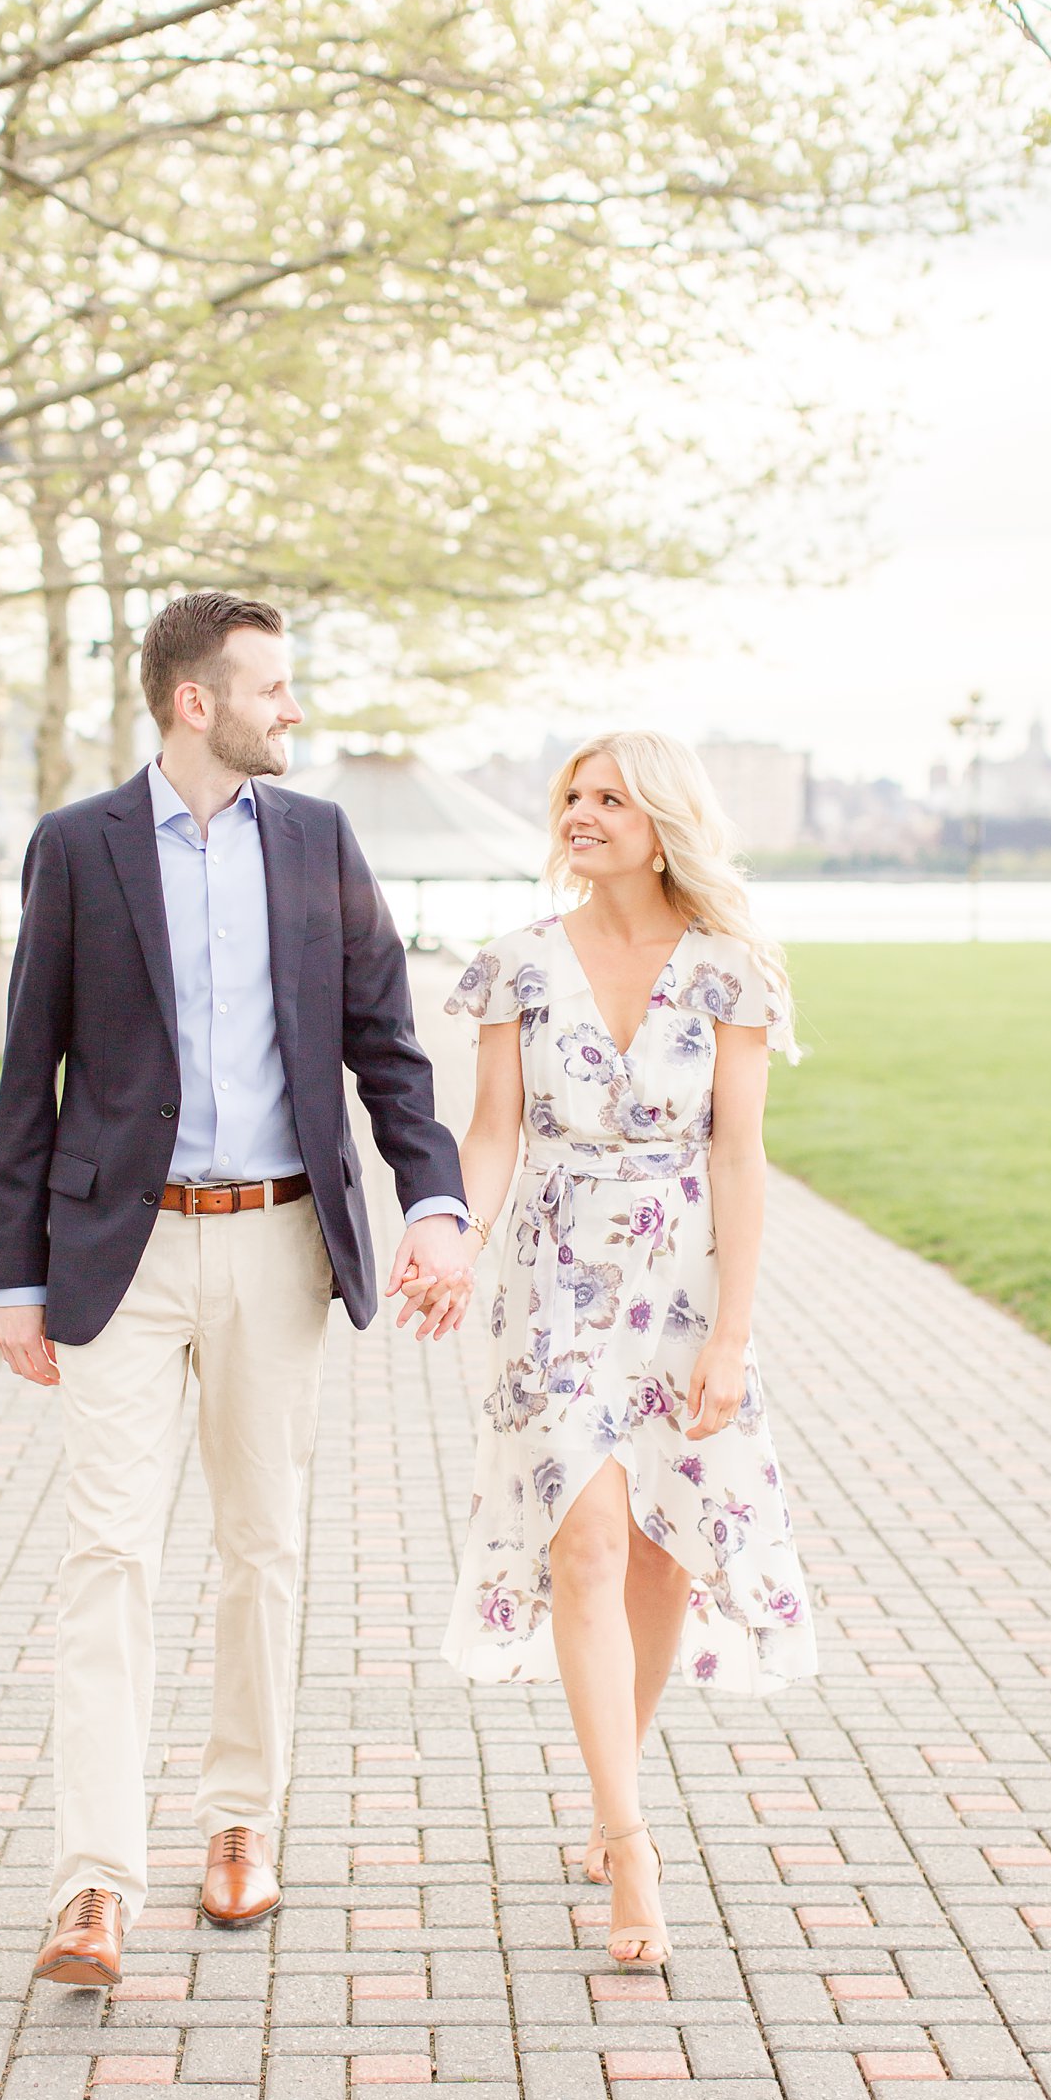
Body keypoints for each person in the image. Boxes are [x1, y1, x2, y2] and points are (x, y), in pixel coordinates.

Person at [0, 591, 473, 1988]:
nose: (293, 709)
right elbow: (33, 1076)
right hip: (116, 1261)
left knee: (263, 1545)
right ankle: (93, 1878)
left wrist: (432, 1203)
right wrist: (12, 1274)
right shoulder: (79, 848)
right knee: (110, 1554)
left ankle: (242, 1823)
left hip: (277, 1241)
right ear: (195, 700)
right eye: (272, 686)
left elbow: (388, 1046)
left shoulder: (319, 841)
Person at [433, 729, 817, 1968]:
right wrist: (452, 1238)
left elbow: (737, 1157)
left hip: (682, 1291)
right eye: (570, 796)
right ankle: (629, 1836)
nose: (581, 813)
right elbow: (489, 1134)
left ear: (661, 820)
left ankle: (616, 1781)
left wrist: (732, 1338)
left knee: (657, 1554)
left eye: (608, 797)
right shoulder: (515, 968)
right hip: (545, 1287)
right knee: (587, 1540)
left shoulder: (728, 973)